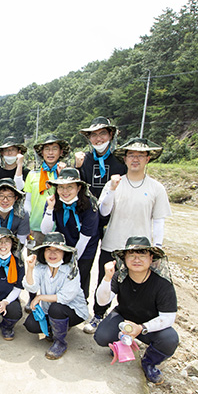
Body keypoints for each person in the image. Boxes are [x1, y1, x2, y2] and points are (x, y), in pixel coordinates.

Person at [87, 138, 172, 333]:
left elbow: (158, 220)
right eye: (131, 155)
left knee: (138, 286)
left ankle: (136, 325)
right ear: (124, 159)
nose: (135, 159)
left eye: (140, 155)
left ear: (148, 159)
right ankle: (98, 315)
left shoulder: (156, 188)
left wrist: (157, 248)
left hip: (141, 250)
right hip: (113, 244)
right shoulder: (115, 183)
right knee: (106, 280)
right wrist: (110, 190)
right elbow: (104, 212)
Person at [93, 236, 179, 384]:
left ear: (151, 258)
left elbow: (169, 317)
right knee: (102, 336)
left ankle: (149, 362)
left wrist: (141, 328)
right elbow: (102, 301)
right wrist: (107, 278)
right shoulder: (120, 276)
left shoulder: (163, 284)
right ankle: (120, 344)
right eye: (131, 255)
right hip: (124, 318)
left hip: (150, 325)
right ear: (124, 258)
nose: (136, 259)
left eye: (142, 255)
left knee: (169, 340)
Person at [72, 117, 128, 334]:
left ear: (111, 135)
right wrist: (76, 167)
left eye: (102, 134)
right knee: (84, 264)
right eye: (93, 135)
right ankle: (79, 303)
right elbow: (74, 187)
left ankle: (100, 313)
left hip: (113, 222)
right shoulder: (82, 160)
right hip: (87, 220)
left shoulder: (120, 163)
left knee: (109, 268)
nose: (98, 138)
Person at [22, 233, 89, 360]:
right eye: (48, 250)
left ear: (64, 253)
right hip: (50, 310)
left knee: (56, 308)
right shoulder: (40, 268)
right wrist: (30, 269)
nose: (52, 254)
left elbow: (65, 297)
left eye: (57, 250)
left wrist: (40, 297)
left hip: (73, 311)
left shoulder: (71, 269)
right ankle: (57, 327)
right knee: (30, 324)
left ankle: (60, 342)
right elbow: (32, 287)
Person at [40, 168, 100, 300]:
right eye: (61, 187)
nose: (65, 191)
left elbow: (85, 238)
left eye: (70, 187)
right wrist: (50, 208)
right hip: (64, 242)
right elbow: (45, 230)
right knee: (62, 274)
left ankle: (81, 304)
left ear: (79, 188)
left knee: (81, 273)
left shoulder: (90, 204)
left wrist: (72, 260)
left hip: (86, 244)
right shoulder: (54, 201)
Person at [24, 134, 69, 245]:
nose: (50, 153)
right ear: (42, 152)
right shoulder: (33, 174)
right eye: (47, 149)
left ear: (61, 152)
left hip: (60, 227)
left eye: (55, 149)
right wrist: (27, 224)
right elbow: (27, 201)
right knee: (34, 260)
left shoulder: (66, 174)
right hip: (36, 227)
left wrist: (61, 175)